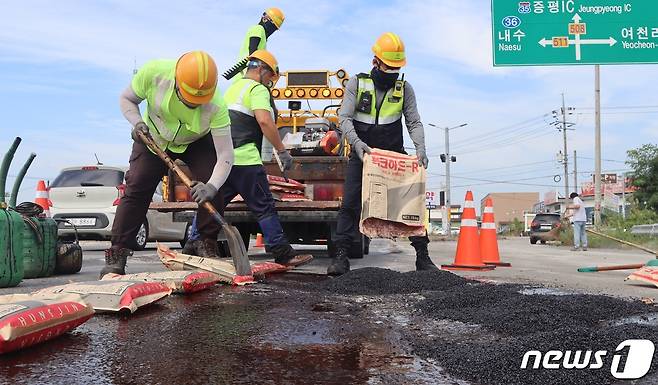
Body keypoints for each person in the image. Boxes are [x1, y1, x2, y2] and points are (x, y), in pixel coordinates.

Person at [103, 50, 234, 278]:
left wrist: (211, 186)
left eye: (198, 102)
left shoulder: (217, 105)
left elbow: (225, 154)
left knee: (216, 184)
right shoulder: (153, 74)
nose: (194, 106)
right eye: (189, 100)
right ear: (176, 82)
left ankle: (204, 242)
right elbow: (127, 99)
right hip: (153, 136)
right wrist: (137, 123)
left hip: (196, 140)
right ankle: (118, 251)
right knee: (137, 186)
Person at [183, 50, 312, 267]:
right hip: (246, 161)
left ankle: (193, 243)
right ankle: (282, 252)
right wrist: (281, 150)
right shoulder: (257, 89)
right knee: (264, 205)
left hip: (223, 161)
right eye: (271, 77)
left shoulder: (233, 89)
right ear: (261, 70)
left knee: (211, 201)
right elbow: (264, 121)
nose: (271, 83)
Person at [327, 32, 438, 276]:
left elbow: (414, 122)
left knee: (410, 202)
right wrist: (356, 144)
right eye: (388, 67)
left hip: (394, 156)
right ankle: (341, 257)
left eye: (396, 68)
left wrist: (420, 149)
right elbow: (344, 118)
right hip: (363, 154)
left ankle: (423, 256)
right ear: (375, 62)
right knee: (350, 205)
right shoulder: (358, 83)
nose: (392, 73)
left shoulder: (404, 89)